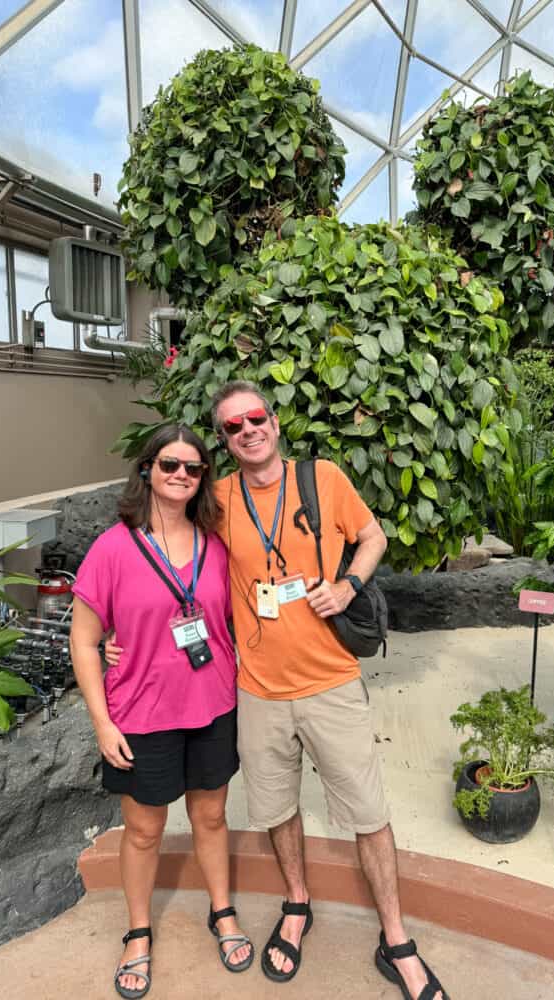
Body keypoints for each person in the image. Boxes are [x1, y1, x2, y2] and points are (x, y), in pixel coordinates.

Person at [209, 380, 448, 1000]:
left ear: (275, 421)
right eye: (233, 427)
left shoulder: (323, 478)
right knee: (277, 807)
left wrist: (348, 586)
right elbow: (178, 564)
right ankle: (296, 901)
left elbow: (374, 537)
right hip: (258, 689)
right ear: (225, 441)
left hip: (331, 682)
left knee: (369, 815)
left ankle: (395, 939)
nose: (248, 431)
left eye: (255, 417)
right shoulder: (217, 499)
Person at [70, 423, 253, 1000]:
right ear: (147, 468)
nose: (181, 475)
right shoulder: (113, 547)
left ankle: (221, 912)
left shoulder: (215, 542)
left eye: (193, 468)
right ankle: (139, 932)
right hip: (141, 712)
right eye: (170, 464)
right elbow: (82, 638)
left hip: (213, 704)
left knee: (212, 818)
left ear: (203, 479)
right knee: (145, 830)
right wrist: (101, 721)